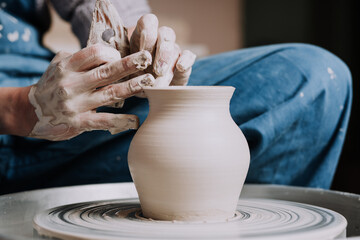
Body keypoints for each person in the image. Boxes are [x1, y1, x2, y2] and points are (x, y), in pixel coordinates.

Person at [0, 0, 352, 195]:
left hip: (51, 91)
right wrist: (17, 108)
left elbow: (92, 5)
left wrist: (136, 42)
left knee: (313, 78)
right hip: (11, 122)